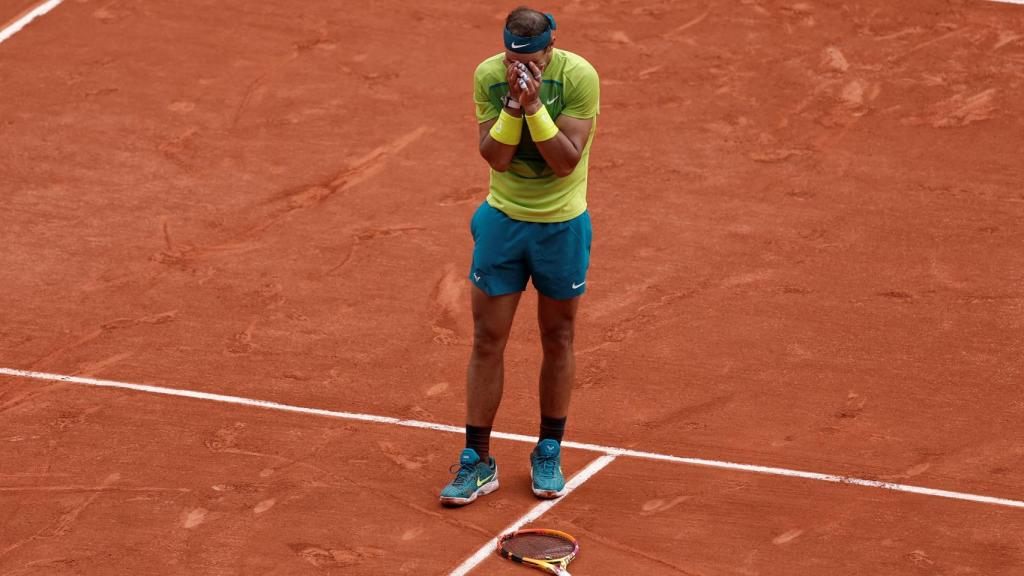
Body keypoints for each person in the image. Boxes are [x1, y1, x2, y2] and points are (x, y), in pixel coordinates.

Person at [440, 6, 600, 506]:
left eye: (531, 58)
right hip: (503, 223)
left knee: (559, 336)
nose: (520, 66)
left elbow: (563, 162)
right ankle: (477, 461)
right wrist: (512, 105)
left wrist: (534, 108)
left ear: (550, 49)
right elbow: (496, 156)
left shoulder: (579, 77)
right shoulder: (490, 76)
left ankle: (548, 449)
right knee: (488, 338)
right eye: (513, 56)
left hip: (561, 227)